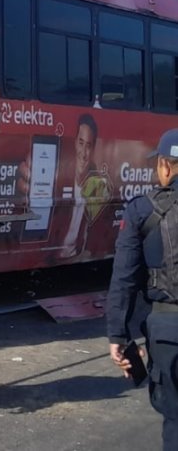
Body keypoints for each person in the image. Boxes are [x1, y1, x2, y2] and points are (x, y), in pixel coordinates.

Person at [106, 127, 178, 449]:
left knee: (175, 419)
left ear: (164, 165)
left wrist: (118, 337)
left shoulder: (142, 210)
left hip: (167, 332)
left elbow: (124, 278)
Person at [59, 114, 112, 258]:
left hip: (76, 257)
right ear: (75, 142)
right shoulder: (60, 176)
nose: (83, 153)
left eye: (88, 146)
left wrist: (86, 253)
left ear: (93, 149)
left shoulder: (96, 184)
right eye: (81, 143)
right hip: (51, 259)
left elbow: (98, 229)